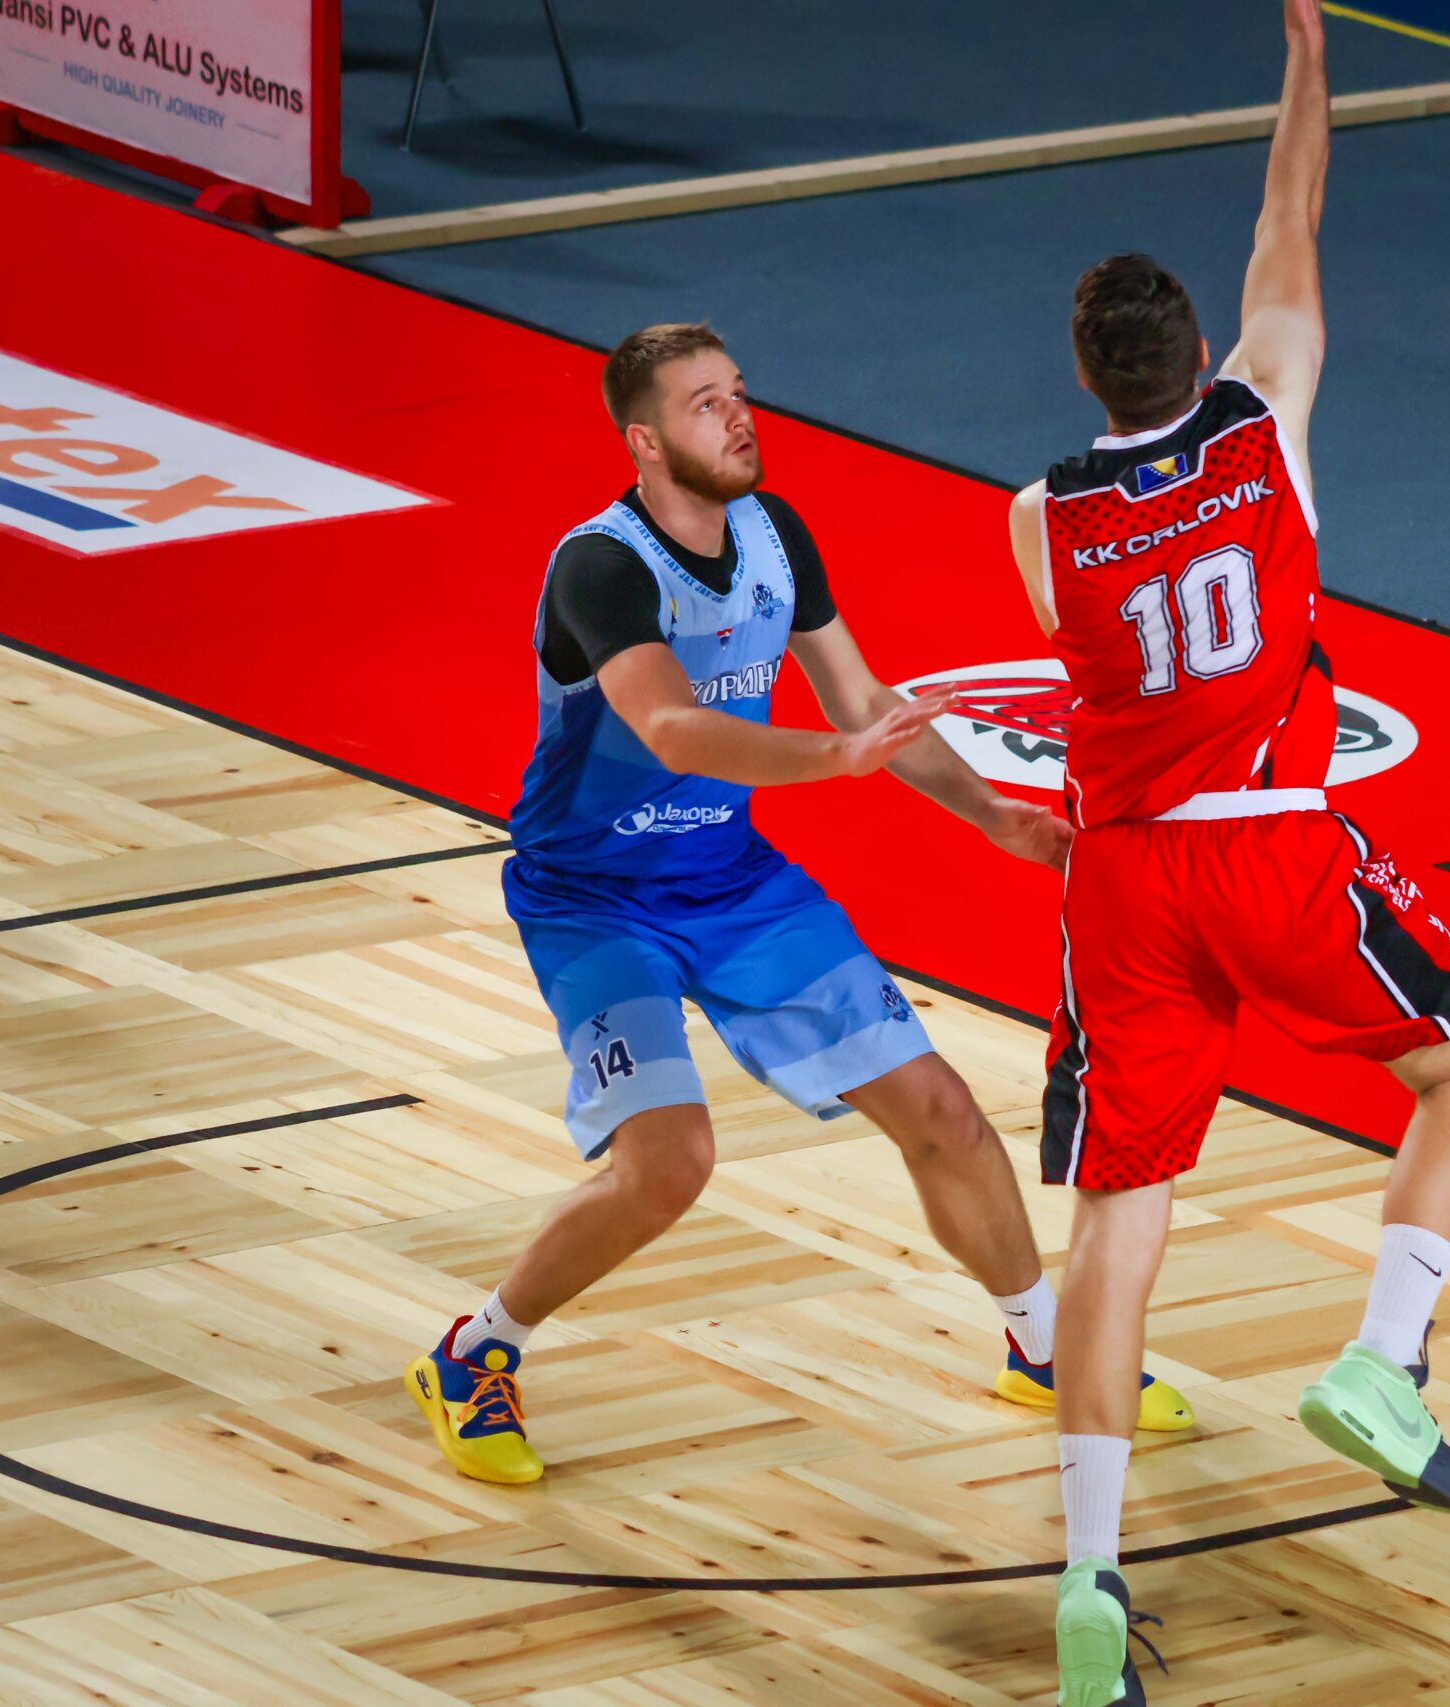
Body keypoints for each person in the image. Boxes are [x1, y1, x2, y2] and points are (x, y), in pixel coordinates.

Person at [407, 322, 1192, 1487]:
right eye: (704, 404)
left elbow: (864, 701)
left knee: (945, 1113)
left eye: (738, 392)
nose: (738, 416)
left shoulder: (776, 533)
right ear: (643, 441)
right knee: (670, 1163)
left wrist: (993, 815)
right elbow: (673, 730)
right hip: (595, 901)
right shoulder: (602, 568)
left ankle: (1041, 1345)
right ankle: (475, 1353)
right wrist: (835, 760)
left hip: (732, 881)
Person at [1004, 6, 1450, 1699]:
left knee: (1118, 1222)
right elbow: (1288, 218)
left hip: (1122, 880)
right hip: (1269, 845)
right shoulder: (1264, 422)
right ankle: (1382, 1362)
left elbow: (1090, 637)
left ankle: (1090, 1574)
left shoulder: (1040, 513)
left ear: (1087, 376)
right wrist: (1306, 62)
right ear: (1203, 352)